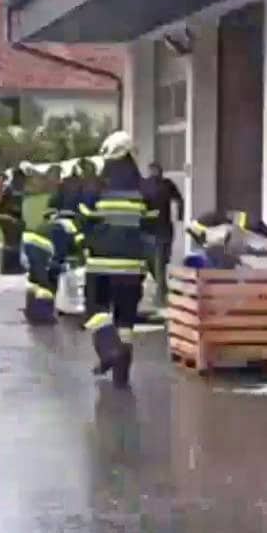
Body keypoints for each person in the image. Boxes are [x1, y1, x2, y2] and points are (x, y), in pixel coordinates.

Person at [80, 131, 157, 388]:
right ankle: (121, 376)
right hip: (133, 267)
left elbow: (84, 221)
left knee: (96, 310)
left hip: (100, 264)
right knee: (125, 321)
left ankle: (110, 351)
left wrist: (86, 244)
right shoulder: (146, 189)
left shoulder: (96, 187)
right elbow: (153, 227)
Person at [143, 162, 184, 302]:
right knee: (161, 261)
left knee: (156, 262)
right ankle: (162, 291)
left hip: (151, 229)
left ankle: (161, 294)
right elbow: (179, 199)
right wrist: (180, 216)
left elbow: (138, 203)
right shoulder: (167, 184)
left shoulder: (145, 185)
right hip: (164, 228)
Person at [0, 167, 27, 275]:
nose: (23, 181)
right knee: (10, 242)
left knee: (17, 241)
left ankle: (15, 264)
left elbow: (18, 208)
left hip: (16, 219)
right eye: (21, 179)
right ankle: (7, 266)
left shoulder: (18, 189)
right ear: (16, 178)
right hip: (8, 219)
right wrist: (8, 218)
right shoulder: (8, 190)